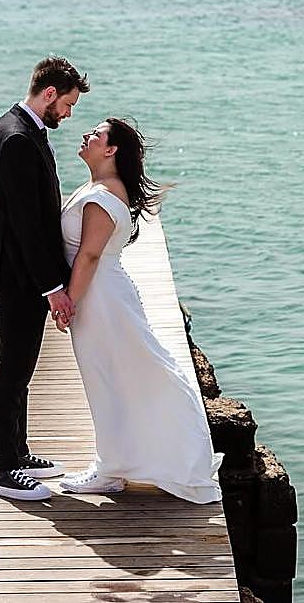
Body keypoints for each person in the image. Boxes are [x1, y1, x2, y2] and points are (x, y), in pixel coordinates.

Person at [55, 117, 224, 502]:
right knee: (115, 378)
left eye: (95, 135)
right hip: (106, 295)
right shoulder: (101, 187)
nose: (86, 136)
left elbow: (90, 255)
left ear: (110, 149)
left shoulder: (102, 195)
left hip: (101, 298)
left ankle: (112, 467)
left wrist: (69, 301)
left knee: (112, 378)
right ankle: (115, 463)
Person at [0, 56, 89, 500]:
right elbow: (27, 224)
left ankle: (17, 451)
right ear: (49, 94)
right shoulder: (17, 140)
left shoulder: (20, 130)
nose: (68, 114)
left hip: (21, 272)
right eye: (67, 104)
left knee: (20, 368)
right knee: (11, 368)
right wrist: (54, 288)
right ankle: (1, 470)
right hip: (20, 277)